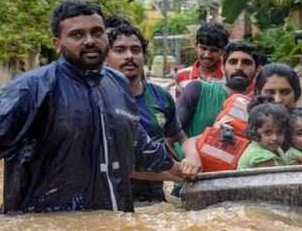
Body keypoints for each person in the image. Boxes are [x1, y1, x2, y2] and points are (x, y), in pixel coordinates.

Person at [0, 0, 192, 213]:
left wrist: (180, 169)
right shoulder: (34, 88)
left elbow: (136, 146)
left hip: (110, 229)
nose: (90, 40)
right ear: (57, 43)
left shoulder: (117, 85)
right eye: (77, 35)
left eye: (96, 32)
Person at [105, 22, 190, 203]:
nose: (129, 56)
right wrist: (172, 174)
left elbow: (178, 137)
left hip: (156, 200)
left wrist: (192, 157)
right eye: (119, 50)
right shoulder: (98, 100)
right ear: (105, 57)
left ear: (144, 56)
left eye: (136, 50)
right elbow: (112, 162)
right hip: (114, 199)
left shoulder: (160, 96)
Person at [176, 41, 261, 139]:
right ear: (223, 67)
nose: (239, 67)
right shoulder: (198, 90)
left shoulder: (259, 106)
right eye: (233, 62)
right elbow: (171, 134)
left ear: (257, 69)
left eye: (246, 63)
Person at [174, 22, 230, 97]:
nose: (207, 55)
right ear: (196, 46)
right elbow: (179, 106)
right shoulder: (181, 75)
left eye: (214, 50)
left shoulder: (229, 77)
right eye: (203, 48)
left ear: (223, 51)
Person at [237, 99, 292, 169]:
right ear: (254, 132)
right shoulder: (260, 156)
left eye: (280, 132)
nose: (275, 138)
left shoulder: (275, 148)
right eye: (267, 133)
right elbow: (275, 178)